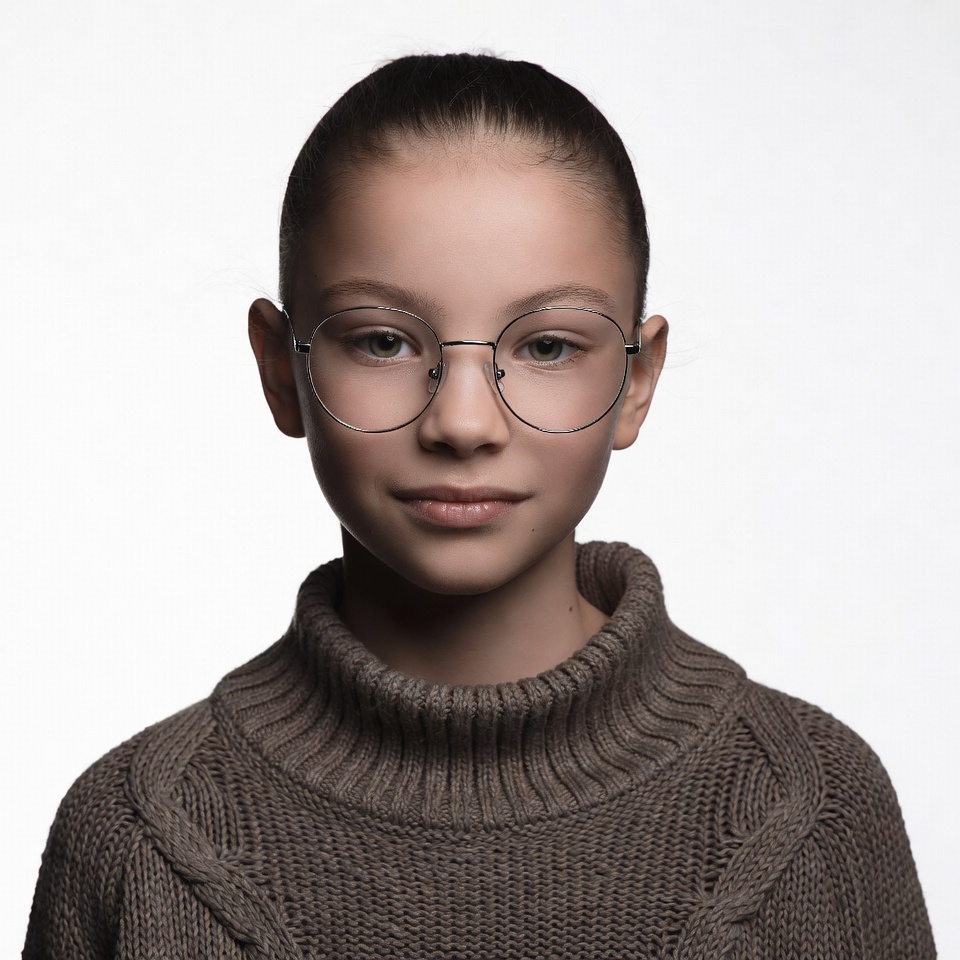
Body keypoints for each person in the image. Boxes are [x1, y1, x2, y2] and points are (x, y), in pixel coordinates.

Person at [23, 52, 935, 958]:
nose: (464, 423)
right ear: (280, 368)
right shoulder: (138, 836)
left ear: (637, 381)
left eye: (546, 347)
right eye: (382, 340)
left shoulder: (810, 808)